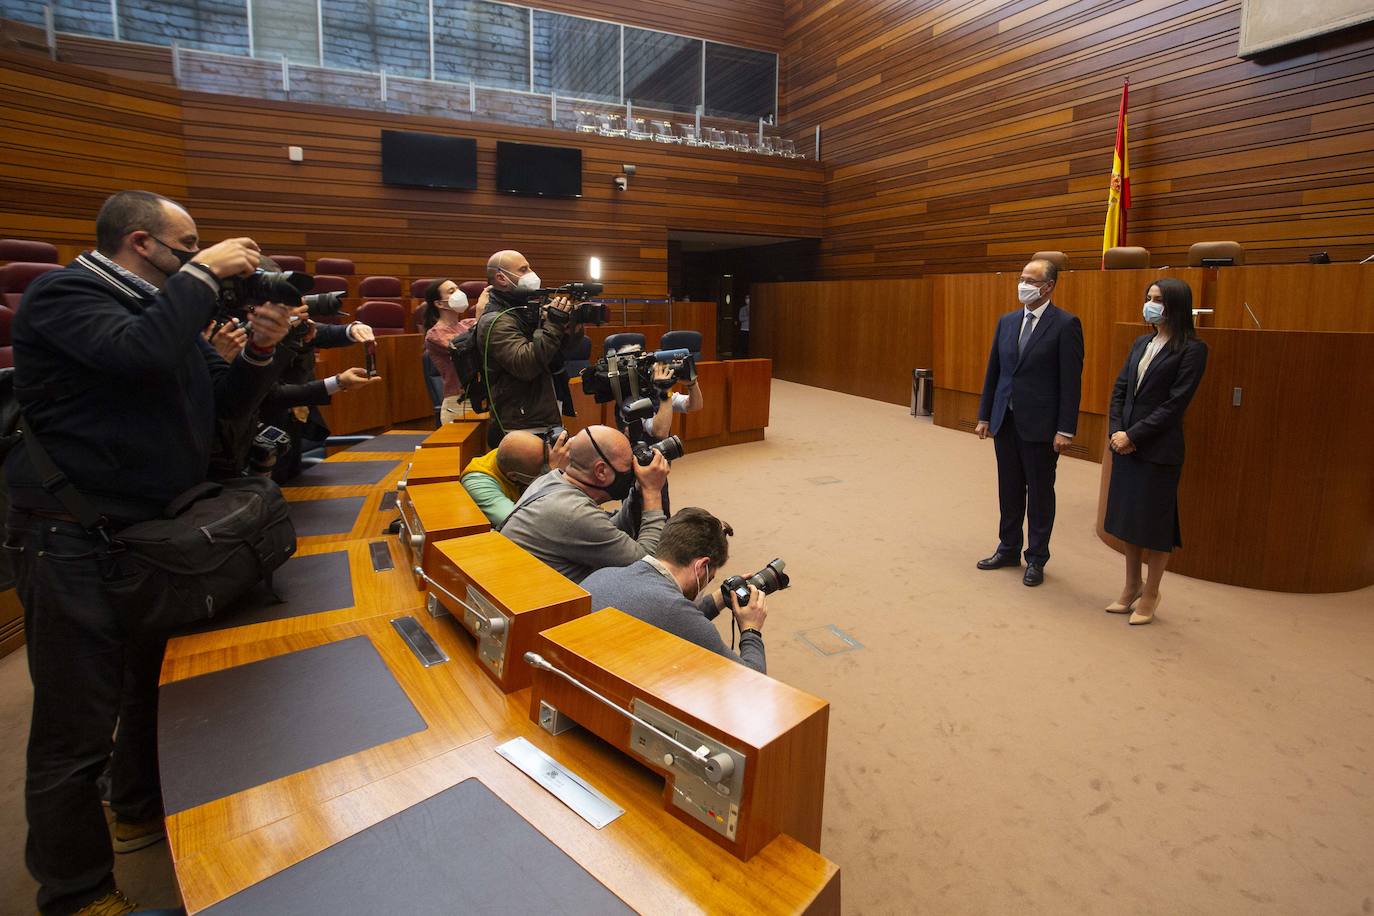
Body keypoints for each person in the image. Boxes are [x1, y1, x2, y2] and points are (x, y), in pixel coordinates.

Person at [3, 190, 291, 916]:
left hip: (145, 540)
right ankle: (76, 892)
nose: (199, 258)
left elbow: (215, 405)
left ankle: (132, 809)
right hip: (69, 542)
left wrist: (258, 350)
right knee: (74, 731)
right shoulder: (64, 294)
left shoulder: (159, 310)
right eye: (188, 246)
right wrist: (202, 280)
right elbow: (136, 357)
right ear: (141, 242)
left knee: (143, 688)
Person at [1103, 278, 1208, 625]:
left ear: (1175, 305)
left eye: (1158, 299)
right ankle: (1131, 585)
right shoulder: (1140, 342)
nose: (1151, 304)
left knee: (1156, 525)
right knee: (1130, 519)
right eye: (1148, 297)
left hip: (1158, 449)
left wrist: (1133, 435)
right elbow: (1120, 389)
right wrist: (1117, 431)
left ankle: (1151, 592)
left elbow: (1175, 404)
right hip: (1126, 446)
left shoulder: (1192, 349)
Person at [974, 258, 1084, 586]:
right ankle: (1008, 547)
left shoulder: (1066, 324)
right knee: (1008, 489)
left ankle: (1036, 557)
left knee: (1038, 492)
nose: (1023, 285)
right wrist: (985, 415)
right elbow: (994, 371)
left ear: (1048, 287)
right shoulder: (1007, 322)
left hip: (1041, 425)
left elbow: (1071, 382)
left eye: (1031, 280)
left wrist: (1065, 429)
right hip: (1005, 420)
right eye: (1021, 278)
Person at [583, 508, 767, 672]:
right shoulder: (673, 609)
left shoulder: (603, 574)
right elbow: (752, 678)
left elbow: (670, 617)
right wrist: (751, 628)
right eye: (709, 578)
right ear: (701, 566)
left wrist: (720, 598)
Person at [497, 424, 669, 582]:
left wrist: (637, 491)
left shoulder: (551, 479)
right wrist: (652, 493)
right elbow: (648, 566)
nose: (633, 468)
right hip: (539, 610)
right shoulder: (573, 513)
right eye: (628, 464)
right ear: (601, 471)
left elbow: (606, 532)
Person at [474, 250, 583, 448]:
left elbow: (558, 351)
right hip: (520, 426)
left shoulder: (525, 310)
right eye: (524, 269)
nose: (532, 273)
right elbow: (526, 365)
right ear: (501, 278)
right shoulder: (496, 320)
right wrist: (553, 325)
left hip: (542, 416)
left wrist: (568, 325)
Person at [460, 428, 570, 526]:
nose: (546, 467)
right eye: (542, 468)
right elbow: (519, 523)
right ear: (513, 476)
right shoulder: (478, 482)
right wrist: (552, 476)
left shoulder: (517, 454)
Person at [608, 342, 704, 445]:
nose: (651, 367)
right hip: (639, 458)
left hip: (660, 455)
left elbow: (695, 406)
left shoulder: (656, 391)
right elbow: (660, 432)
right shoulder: (630, 402)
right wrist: (666, 391)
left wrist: (692, 384)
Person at [422, 279, 483, 423]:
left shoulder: (467, 324)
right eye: (451, 291)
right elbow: (468, 347)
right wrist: (481, 314)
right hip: (459, 405)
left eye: (457, 289)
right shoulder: (435, 334)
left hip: (481, 399)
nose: (459, 293)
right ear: (439, 303)